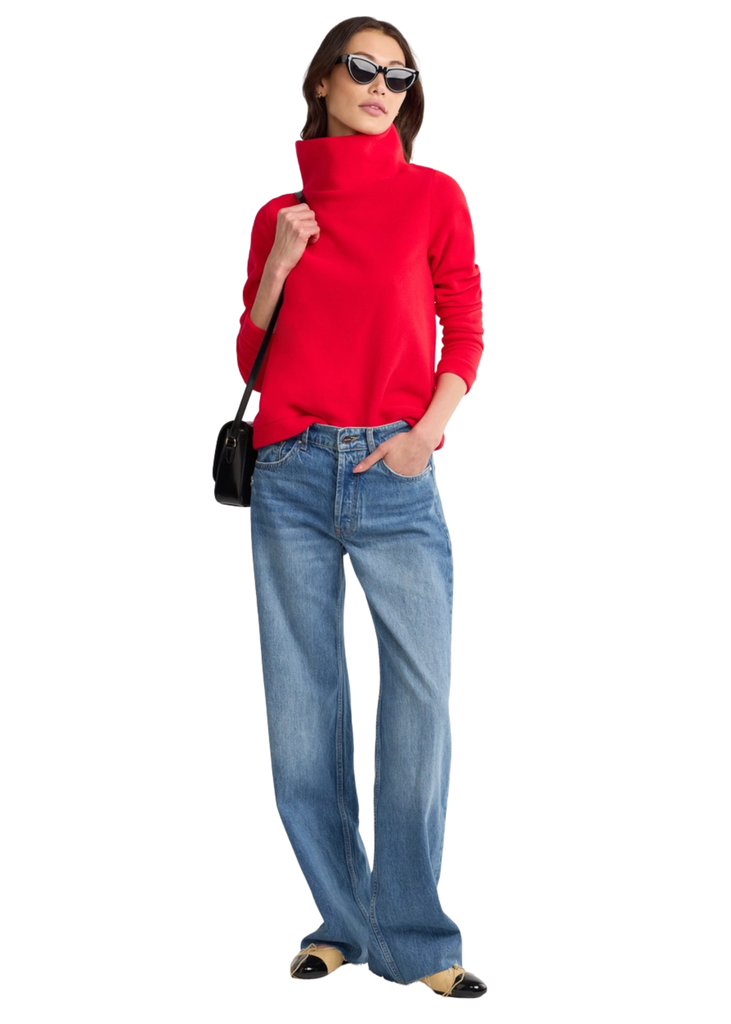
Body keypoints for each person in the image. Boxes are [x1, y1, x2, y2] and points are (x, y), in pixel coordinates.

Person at [236, 16, 486, 999]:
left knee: (418, 703)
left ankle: (416, 937)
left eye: (398, 74)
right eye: (362, 67)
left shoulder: (432, 196)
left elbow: (464, 327)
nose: (381, 86)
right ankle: (340, 922)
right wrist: (277, 265)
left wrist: (425, 434)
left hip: (395, 468)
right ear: (322, 83)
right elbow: (252, 355)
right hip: (291, 471)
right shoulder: (280, 214)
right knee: (302, 710)